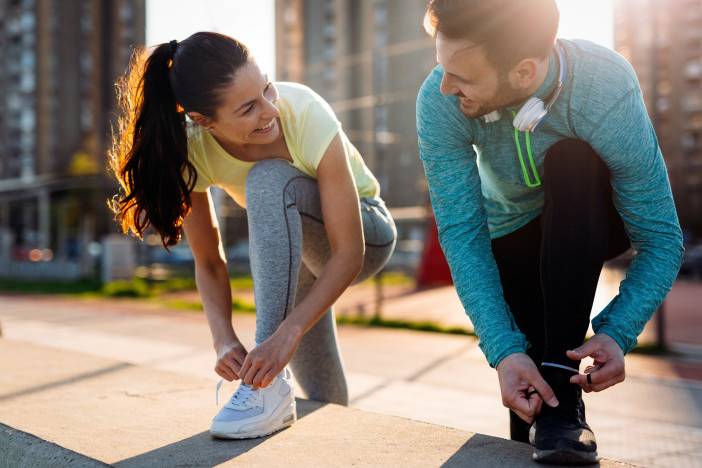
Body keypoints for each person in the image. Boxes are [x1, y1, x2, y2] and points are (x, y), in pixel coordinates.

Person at [416, 0, 683, 464]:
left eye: (460, 75)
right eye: (442, 67)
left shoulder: (603, 84)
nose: (444, 86)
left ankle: (562, 379)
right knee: (532, 402)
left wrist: (618, 332)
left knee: (571, 159)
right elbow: (462, 233)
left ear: (522, 72)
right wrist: (503, 351)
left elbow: (662, 238)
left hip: (594, 218)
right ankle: (556, 414)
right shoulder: (439, 101)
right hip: (511, 233)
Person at [109, 32, 396, 439]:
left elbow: (350, 252)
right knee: (322, 393)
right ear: (203, 121)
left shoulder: (304, 111)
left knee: (268, 179)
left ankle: (260, 390)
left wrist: (285, 333)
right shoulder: (193, 150)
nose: (269, 111)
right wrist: (223, 340)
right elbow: (208, 260)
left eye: (266, 88)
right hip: (297, 252)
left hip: (367, 235)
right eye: (248, 108)